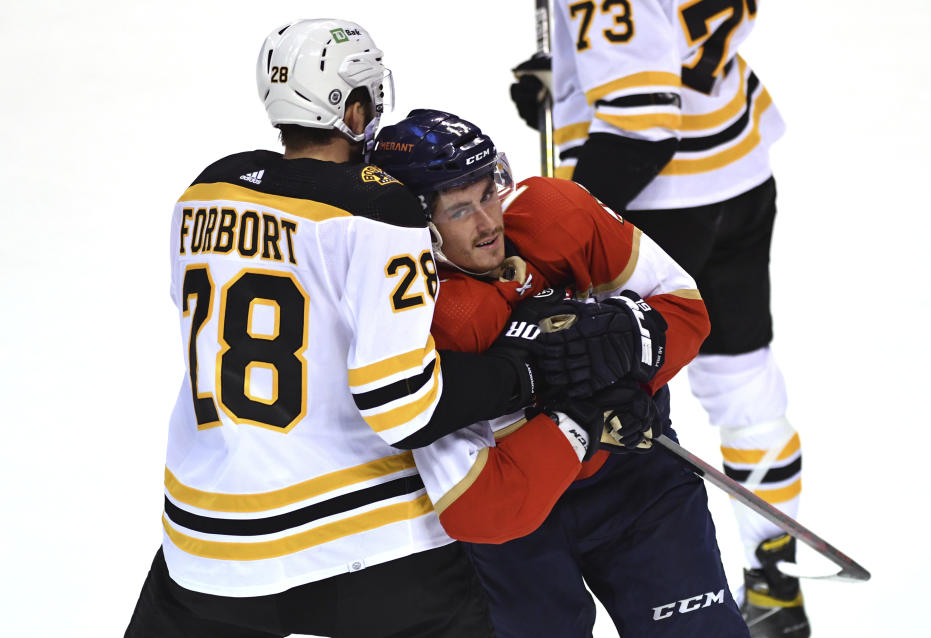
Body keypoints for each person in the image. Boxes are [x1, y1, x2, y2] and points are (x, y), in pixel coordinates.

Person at [124, 19, 632, 638]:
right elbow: (402, 405)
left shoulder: (202, 191)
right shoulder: (380, 207)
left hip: (210, 549)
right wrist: (531, 371)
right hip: (366, 549)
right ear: (355, 107)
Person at [371, 109, 749, 637]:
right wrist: (587, 412)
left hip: (637, 478)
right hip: (520, 533)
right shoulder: (412, 317)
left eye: (488, 192)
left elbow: (686, 309)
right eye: (461, 210)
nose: (488, 223)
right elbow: (477, 508)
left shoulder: (556, 212)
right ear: (418, 223)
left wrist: (623, 339)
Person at [510, 3, 809, 636]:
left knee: (602, 387)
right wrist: (573, 77)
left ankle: (652, 583)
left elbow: (640, 125)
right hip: (738, 172)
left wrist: (559, 232)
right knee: (742, 376)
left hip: (660, 205)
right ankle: (774, 578)